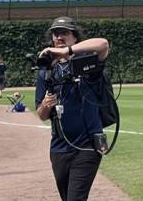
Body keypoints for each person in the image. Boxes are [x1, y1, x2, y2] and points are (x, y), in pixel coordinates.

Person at [35, 17, 110, 201]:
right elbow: (41, 115)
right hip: (59, 148)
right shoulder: (46, 71)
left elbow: (103, 44)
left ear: (75, 37)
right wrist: (45, 105)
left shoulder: (86, 62)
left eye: (64, 33)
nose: (59, 37)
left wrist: (64, 51)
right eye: (55, 33)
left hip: (87, 145)